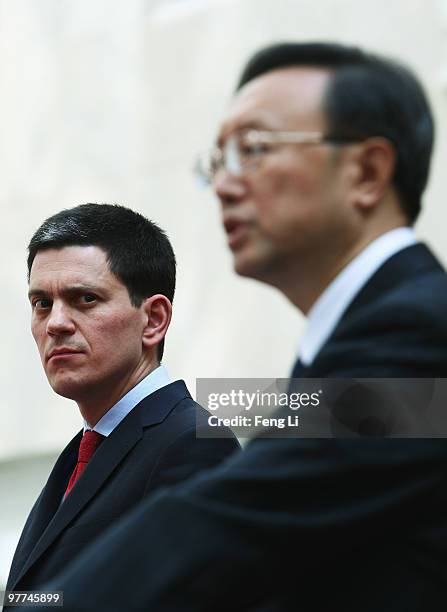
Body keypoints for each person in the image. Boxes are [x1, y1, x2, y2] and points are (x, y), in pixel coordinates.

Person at [18, 43, 447, 610]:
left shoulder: (415, 331)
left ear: (366, 172)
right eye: (219, 160)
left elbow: (234, 519)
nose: (223, 185)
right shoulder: (357, 342)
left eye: (255, 149)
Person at [5, 203, 239, 595]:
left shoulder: (192, 443)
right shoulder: (83, 451)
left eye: (85, 299)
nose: (56, 324)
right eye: (41, 303)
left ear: (154, 320)